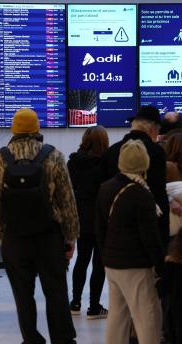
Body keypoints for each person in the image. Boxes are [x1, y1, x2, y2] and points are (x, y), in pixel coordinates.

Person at [0, 108, 83, 344]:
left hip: (15, 239)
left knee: (23, 295)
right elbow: (67, 201)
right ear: (37, 129)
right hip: (48, 237)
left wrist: (1, 237)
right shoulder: (53, 157)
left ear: (14, 131)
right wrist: (70, 237)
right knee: (57, 292)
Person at [96, 139, 179, 344]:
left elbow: (99, 228)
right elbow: (150, 238)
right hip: (135, 265)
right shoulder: (141, 194)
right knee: (148, 320)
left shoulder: (106, 187)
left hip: (112, 263)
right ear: (145, 165)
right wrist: (162, 267)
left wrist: (106, 256)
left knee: (117, 319)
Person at [103, 106, 169, 246]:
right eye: (158, 132)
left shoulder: (111, 151)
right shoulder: (156, 152)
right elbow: (159, 194)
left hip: (114, 228)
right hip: (144, 229)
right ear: (153, 129)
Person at [67, 125, 109, 319]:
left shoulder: (73, 162)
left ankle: (75, 302)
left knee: (81, 261)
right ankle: (94, 307)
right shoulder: (106, 164)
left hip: (81, 218)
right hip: (101, 218)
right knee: (99, 264)